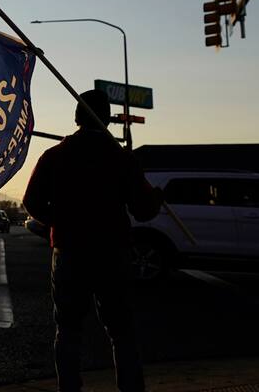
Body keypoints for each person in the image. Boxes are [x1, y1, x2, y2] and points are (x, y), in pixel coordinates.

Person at [23, 89, 164, 392]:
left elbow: (31, 200)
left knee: (68, 331)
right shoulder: (121, 159)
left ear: (77, 117)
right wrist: (157, 197)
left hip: (70, 252)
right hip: (113, 253)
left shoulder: (55, 156)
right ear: (108, 120)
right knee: (122, 331)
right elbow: (144, 210)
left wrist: (59, 220)